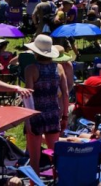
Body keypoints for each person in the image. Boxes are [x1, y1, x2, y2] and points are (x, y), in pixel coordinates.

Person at [23, 35, 70, 174]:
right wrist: (65, 116)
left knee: (34, 161)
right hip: (53, 115)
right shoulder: (59, 68)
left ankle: (34, 184)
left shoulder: (30, 69)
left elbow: (28, 96)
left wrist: (27, 121)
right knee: (55, 158)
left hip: (35, 116)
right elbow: (66, 94)